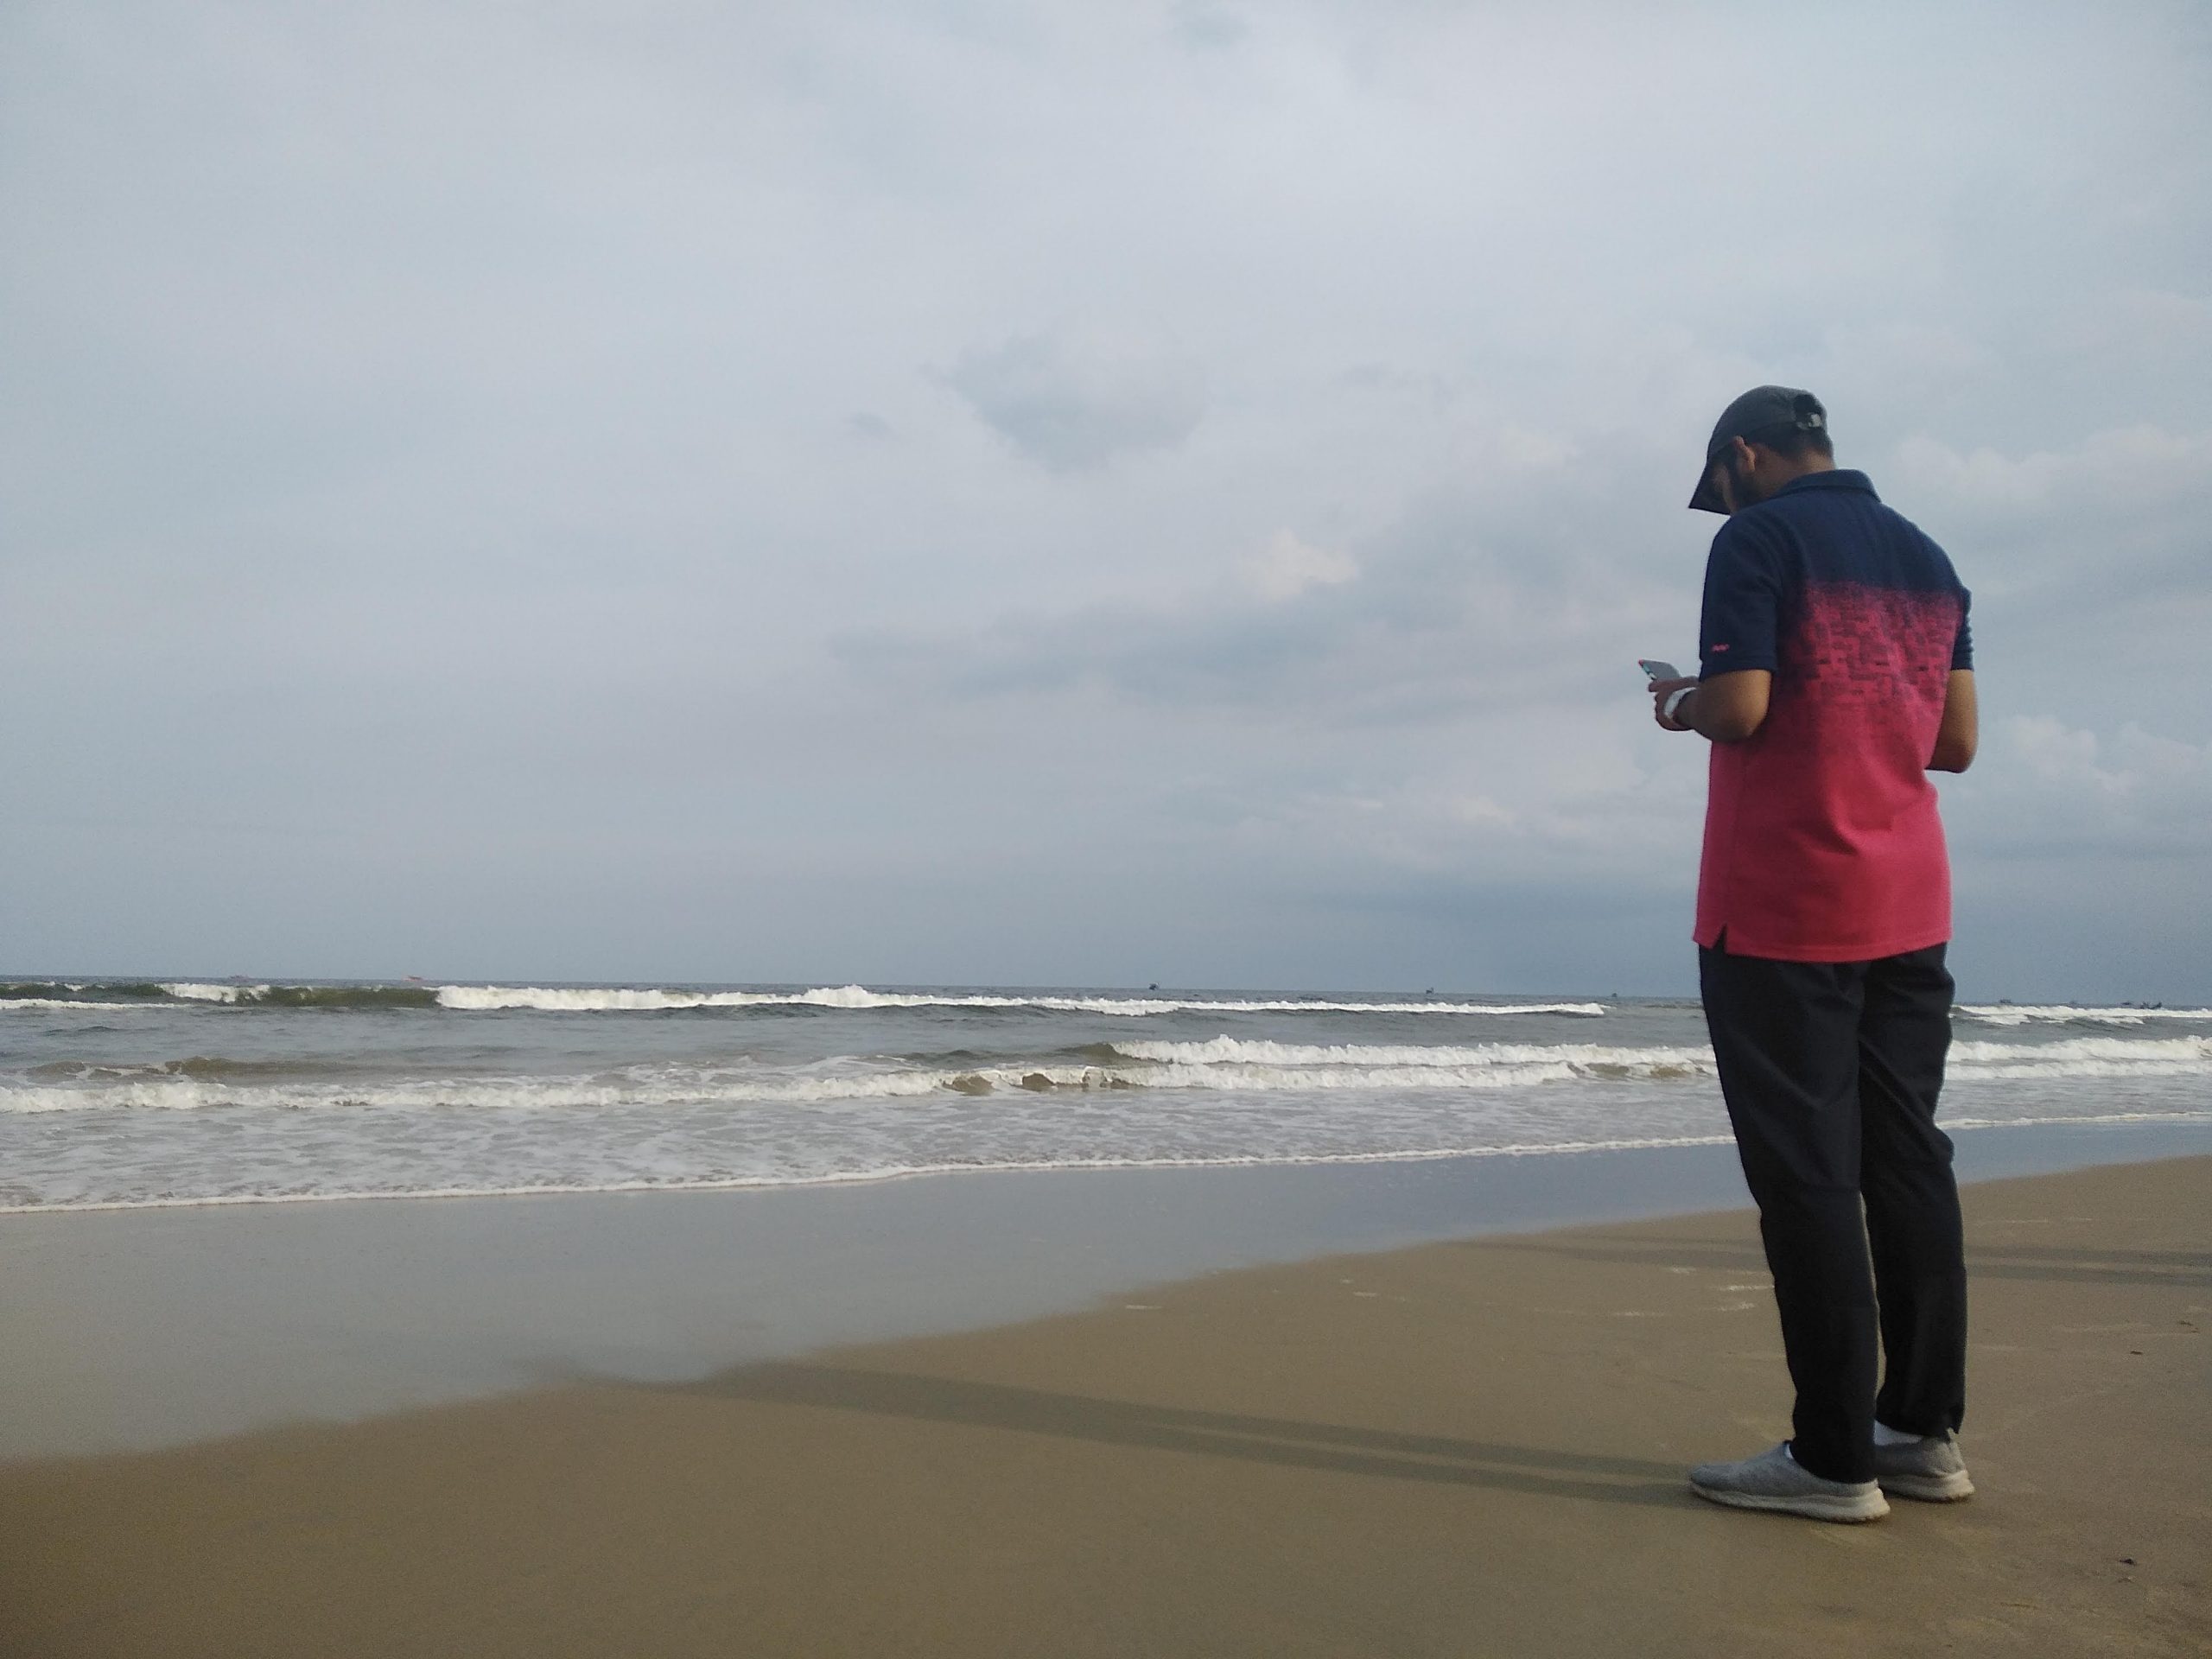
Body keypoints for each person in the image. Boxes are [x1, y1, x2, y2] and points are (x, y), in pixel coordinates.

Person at [1649, 385, 1980, 1524]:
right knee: (1907, 1163)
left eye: (1721, 484)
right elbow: (1955, 740)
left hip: (1784, 902)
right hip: (1909, 898)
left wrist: (1679, 699)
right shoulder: (1928, 560)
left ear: (1744, 457)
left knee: (1809, 1179)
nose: (1721, 504)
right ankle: (1922, 1433)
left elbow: (1742, 706)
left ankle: (1832, 1457)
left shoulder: (1762, 538)